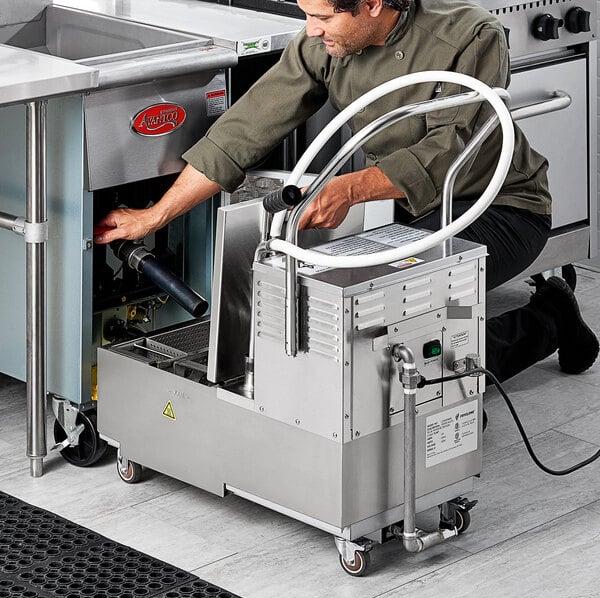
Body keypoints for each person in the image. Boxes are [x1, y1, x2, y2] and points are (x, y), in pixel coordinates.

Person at [95, 0, 598, 382]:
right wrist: (154, 216)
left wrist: (349, 190)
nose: (311, 29)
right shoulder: (324, 43)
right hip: (411, 212)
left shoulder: (470, 34)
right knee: (364, 327)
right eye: (306, 15)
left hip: (502, 207)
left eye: (323, 17)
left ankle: (547, 321)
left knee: (401, 322)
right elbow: (244, 130)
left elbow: (453, 145)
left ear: (374, 3)